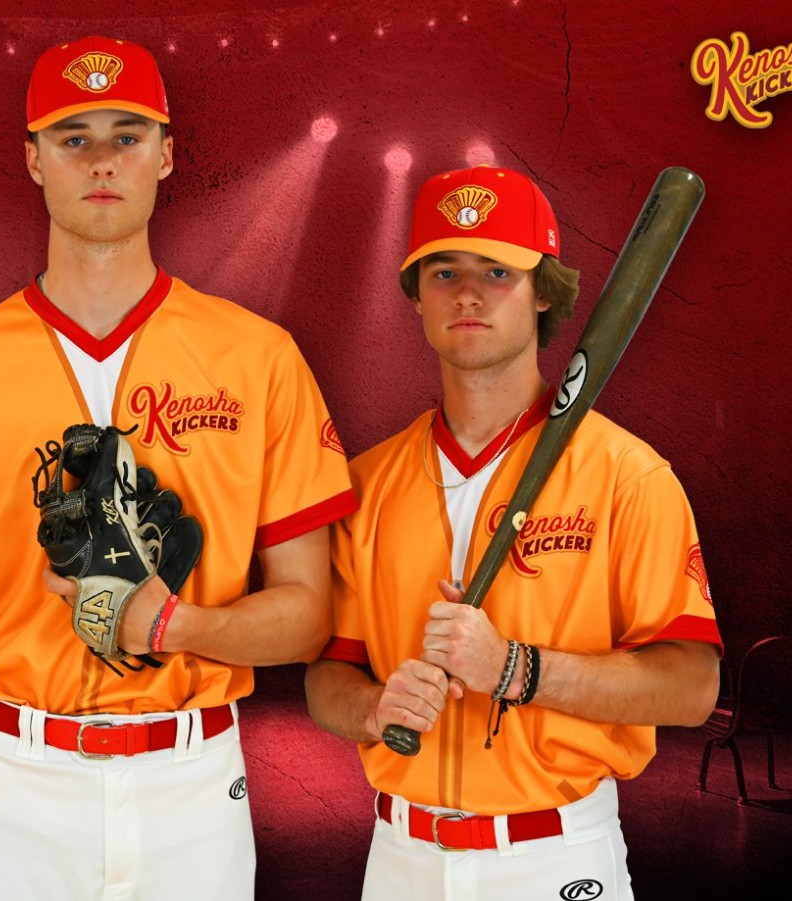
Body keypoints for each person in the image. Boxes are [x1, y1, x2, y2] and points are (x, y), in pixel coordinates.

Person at [0, 35, 355, 901]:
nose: (101, 160)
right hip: (10, 776)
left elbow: (308, 616)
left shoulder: (259, 358)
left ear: (167, 154)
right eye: (72, 137)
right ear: (33, 160)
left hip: (192, 780)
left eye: (127, 134)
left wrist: (173, 626)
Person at [304, 164, 723, 900]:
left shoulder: (627, 474)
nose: (468, 293)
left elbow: (692, 687)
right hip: (401, 858)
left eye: (498, 270)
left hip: (552, 858)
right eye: (444, 271)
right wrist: (373, 708)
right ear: (416, 294)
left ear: (544, 292)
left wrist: (517, 669)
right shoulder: (366, 485)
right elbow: (327, 677)